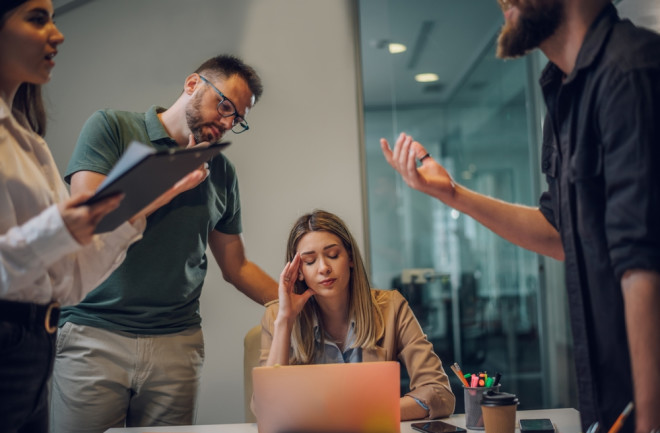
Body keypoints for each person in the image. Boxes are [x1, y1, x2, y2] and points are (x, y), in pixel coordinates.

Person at [380, 1, 660, 432]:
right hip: (613, 404)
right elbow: (560, 234)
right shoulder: (564, 94)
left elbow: (643, 266)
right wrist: (452, 194)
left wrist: (649, 419)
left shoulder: (631, 71)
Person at [0, 1, 207, 432]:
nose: (57, 35)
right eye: (38, 19)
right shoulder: (109, 126)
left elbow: (69, 278)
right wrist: (56, 230)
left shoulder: (28, 140)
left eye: (55, 19)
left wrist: (141, 205)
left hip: (39, 340)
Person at [50, 54, 279, 432]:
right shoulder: (112, 127)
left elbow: (237, 267)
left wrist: (297, 303)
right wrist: (170, 184)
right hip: (93, 334)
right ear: (192, 85)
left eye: (237, 119)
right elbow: (91, 218)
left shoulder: (221, 170)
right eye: (224, 106)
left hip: (177, 344)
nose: (226, 122)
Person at [257, 210, 455, 421]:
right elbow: (266, 408)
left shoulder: (391, 308)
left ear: (350, 257)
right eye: (310, 261)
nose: (323, 268)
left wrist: (362, 415)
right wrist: (285, 321)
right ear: (298, 271)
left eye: (333, 255)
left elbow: (439, 393)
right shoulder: (276, 317)